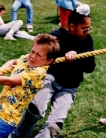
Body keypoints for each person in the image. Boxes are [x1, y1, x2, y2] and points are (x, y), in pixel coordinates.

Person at [9, 4, 96, 138]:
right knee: (36, 108)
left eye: (89, 28)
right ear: (72, 26)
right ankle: (16, 136)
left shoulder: (87, 41)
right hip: (51, 77)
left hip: (70, 86)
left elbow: (90, 67)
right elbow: (39, 57)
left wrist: (77, 56)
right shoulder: (56, 37)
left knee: (55, 125)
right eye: (84, 29)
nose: (87, 32)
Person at [0, 34, 60, 138]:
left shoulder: (38, 73)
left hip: (5, 121)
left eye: (39, 55)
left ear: (49, 61)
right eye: (32, 51)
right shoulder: (28, 59)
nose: (32, 56)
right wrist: (1, 69)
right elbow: (13, 61)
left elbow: (10, 81)